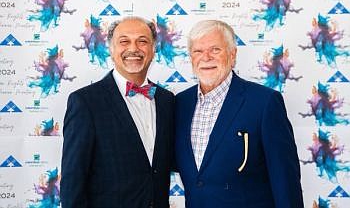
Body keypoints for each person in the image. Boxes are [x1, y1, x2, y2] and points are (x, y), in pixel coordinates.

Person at [175, 20, 304, 208]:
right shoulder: (180, 103)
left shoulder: (264, 102)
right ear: (191, 57)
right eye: (198, 51)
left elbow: (285, 179)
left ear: (232, 54)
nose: (206, 57)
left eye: (215, 49)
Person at [61, 16, 174, 208]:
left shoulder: (167, 100)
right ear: (111, 50)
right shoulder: (85, 102)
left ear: (153, 50)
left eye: (142, 41)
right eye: (124, 42)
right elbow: (73, 182)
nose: (133, 49)